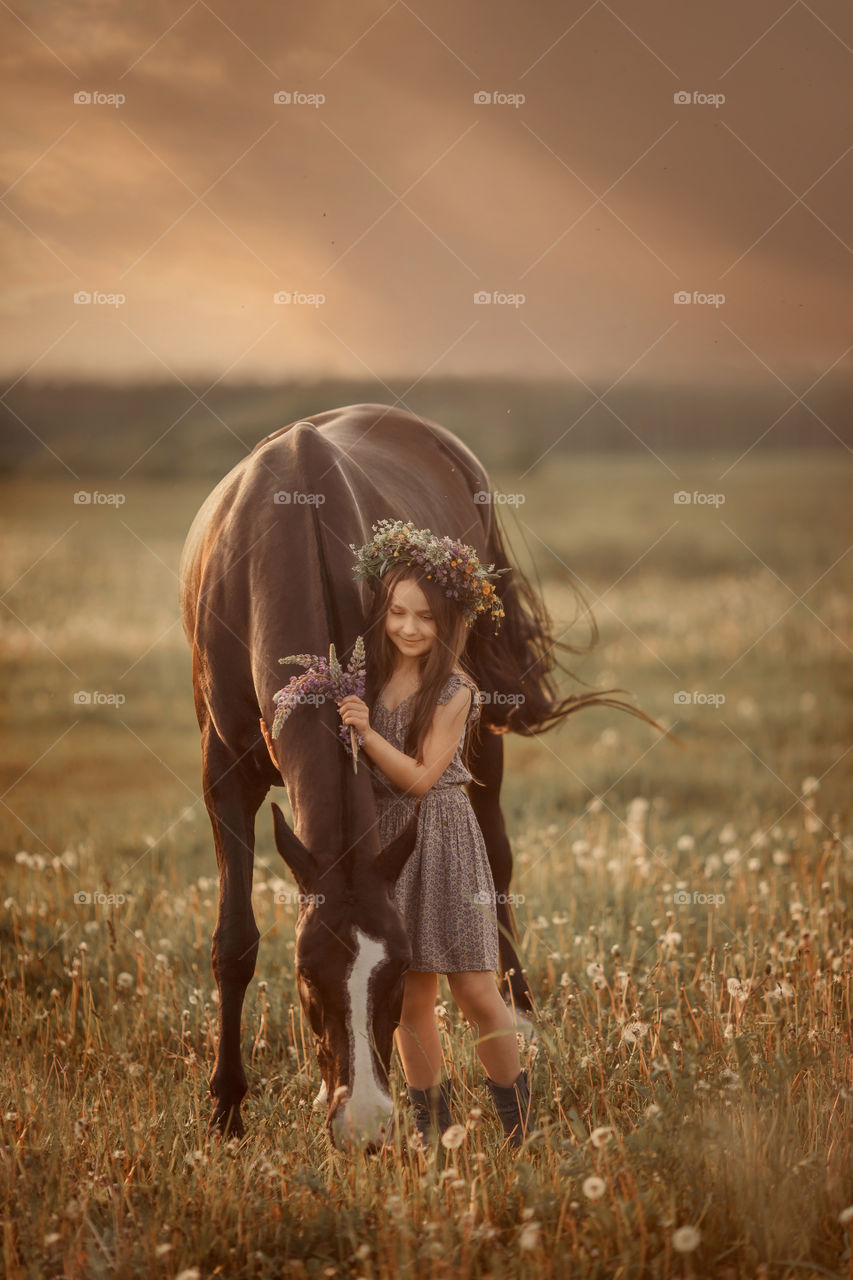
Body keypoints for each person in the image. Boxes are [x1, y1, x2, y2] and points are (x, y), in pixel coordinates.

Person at [336, 519, 531, 1151]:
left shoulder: (457, 689)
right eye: (398, 613)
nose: (411, 628)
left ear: (451, 623)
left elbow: (421, 780)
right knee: (411, 992)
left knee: (474, 986)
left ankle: (519, 1127)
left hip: (442, 838)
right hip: (388, 843)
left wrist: (366, 734)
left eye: (426, 617)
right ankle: (433, 1129)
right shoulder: (364, 678)